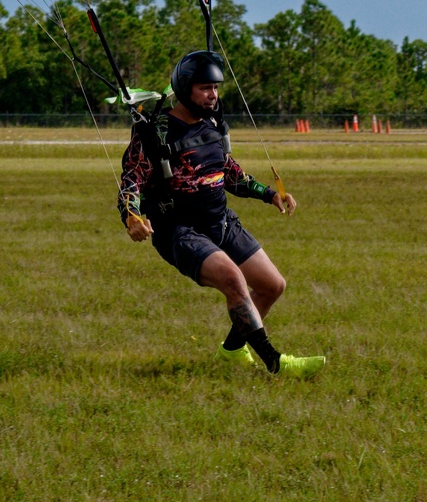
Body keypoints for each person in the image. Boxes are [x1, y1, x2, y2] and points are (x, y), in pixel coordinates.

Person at [118, 49, 325, 378]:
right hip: (180, 231)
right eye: (204, 88)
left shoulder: (212, 124)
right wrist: (132, 216)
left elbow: (229, 174)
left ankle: (231, 351)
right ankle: (275, 362)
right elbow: (131, 180)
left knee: (273, 285)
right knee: (234, 281)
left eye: (215, 88)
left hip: (222, 223)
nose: (212, 95)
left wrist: (270, 195)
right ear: (185, 88)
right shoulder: (155, 133)